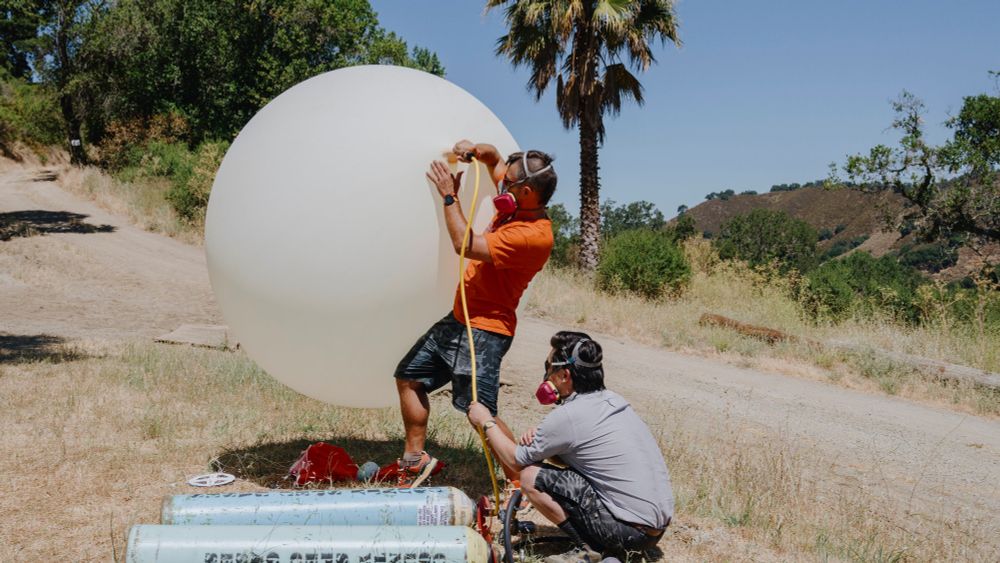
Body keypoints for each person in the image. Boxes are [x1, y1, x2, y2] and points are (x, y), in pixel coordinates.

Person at [393, 139, 557, 487]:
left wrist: (449, 196)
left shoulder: (533, 236)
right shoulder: (517, 204)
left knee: (478, 411)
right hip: (459, 319)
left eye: (508, 183)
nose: (502, 185)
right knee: (409, 376)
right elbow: (495, 158)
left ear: (525, 191)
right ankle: (415, 460)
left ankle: (523, 479)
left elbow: (465, 245)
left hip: (487, 330)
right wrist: (476, 150)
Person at [467, 331, 674, 563]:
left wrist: (485, 421)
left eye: (548, 368)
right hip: (655, 531)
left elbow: (515, 459)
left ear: (564, 375)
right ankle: (611, 549)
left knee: (530, 476)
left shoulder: (569, 416)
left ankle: (587, 548)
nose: (546, 375)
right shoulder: (613, 400)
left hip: (628, 532)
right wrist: (550, 445)